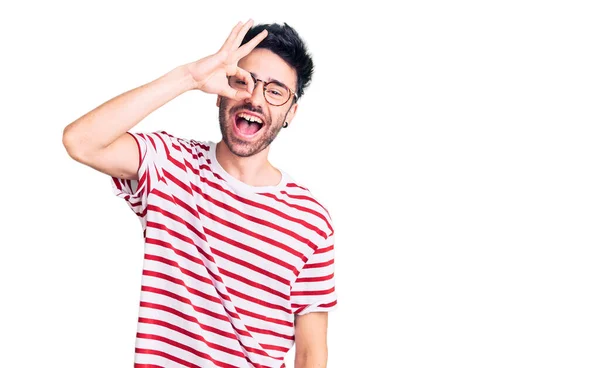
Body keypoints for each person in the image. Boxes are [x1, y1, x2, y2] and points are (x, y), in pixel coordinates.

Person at [62, 19, 337, 368]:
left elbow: (312, 352)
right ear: (221, 90)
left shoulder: (310, 219)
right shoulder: (169, 165)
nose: (254, 98)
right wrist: (189, 78)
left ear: (290, 113)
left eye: (275, 91)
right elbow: (81, 141)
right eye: (243, 81)